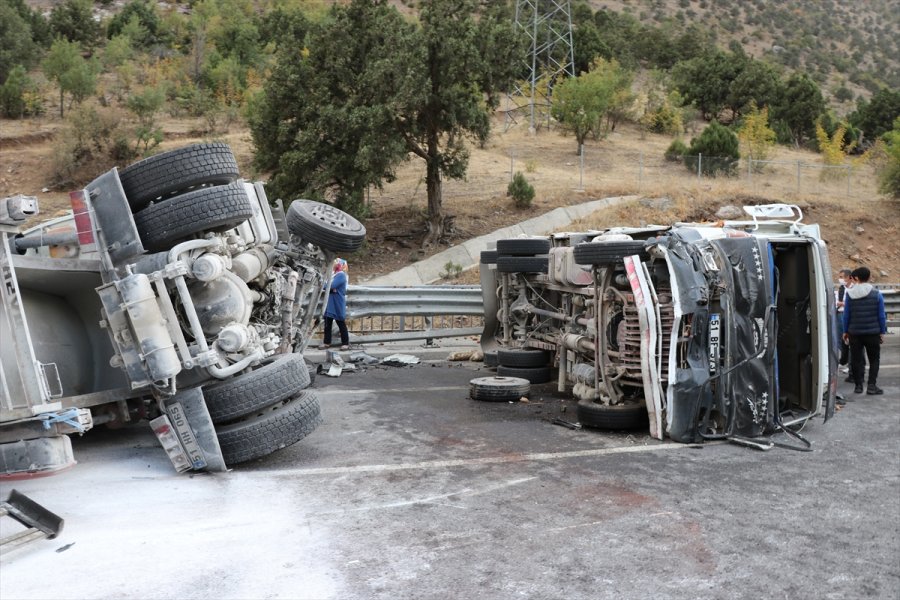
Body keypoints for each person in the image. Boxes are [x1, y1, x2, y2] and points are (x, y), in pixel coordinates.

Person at [842, 266, 887, 395]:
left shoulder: (850, 294)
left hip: (854, 333)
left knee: (856, 360)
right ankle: (872, 386)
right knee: (874, 359)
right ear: (868, 277)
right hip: (872, 333)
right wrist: (882, 331)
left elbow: (846, 315)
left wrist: (845, 331)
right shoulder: (876, 293)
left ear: (856, 278)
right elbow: (881, 315)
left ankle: (858, 386)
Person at [321, 258, 350, 351]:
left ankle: (345, 343)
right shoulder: (334, 275)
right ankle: (326, 342)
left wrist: (329, 287)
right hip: (330, 302)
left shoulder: (341, 275)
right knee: (327, 323)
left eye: (335, 263)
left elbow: (330, 286)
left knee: (341, 323)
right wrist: (329, 288)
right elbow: (326, 286)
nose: (333, 264)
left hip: (337, 302)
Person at [835, 268, 852, 371]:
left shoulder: (853, 289)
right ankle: (844, 361)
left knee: (848, 340)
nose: (839, 279)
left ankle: (850, 363)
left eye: (841, 277)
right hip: (839, 314)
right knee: (840, 340)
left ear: (848, 277)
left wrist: (843, 304)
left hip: (846, 315)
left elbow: (855, 303)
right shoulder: (841, 289)